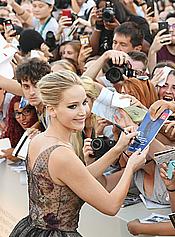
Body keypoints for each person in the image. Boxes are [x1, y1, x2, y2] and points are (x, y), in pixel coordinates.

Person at [10, 71, 148, 236]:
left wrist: (118, 148)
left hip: (30, 230)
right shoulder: (62, 154)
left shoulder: (39, 140)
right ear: (52, 110)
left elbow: (77, 178)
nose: (83, 111)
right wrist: (131, 167)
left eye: (84, 102)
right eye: (72, 106)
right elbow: (111, 206)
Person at [1, 96, 39, 161]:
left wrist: (19, 154)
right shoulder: (14, 132)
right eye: (17, 113)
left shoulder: (44, 128)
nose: (22, 118)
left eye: (27, 112)